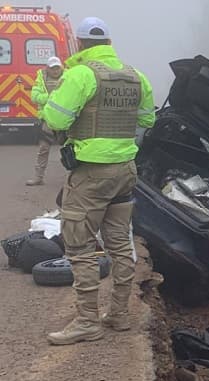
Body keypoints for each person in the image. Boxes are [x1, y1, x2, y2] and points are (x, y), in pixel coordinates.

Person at [42, 16, 155, 345]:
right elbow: (148, 118)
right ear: (108, 43)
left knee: (80, 245)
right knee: (119, 243)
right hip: (125, 170)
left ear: (79, 44)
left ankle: (87, 321)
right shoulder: (137, 77)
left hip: (91, 173)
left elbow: (54, 117)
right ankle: (118, 314)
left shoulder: (81, 74)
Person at [26, 56, 65, 186]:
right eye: (52, 68)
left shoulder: (69, 77)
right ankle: (38, 177)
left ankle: (73, 180)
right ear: (47, 69)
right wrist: (51, 96)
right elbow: (35, 97)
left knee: (70, 150)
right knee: (43, 149)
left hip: (65, 121)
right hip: (47, 119)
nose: (55, 71)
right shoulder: (41, 79)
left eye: (57, 68)